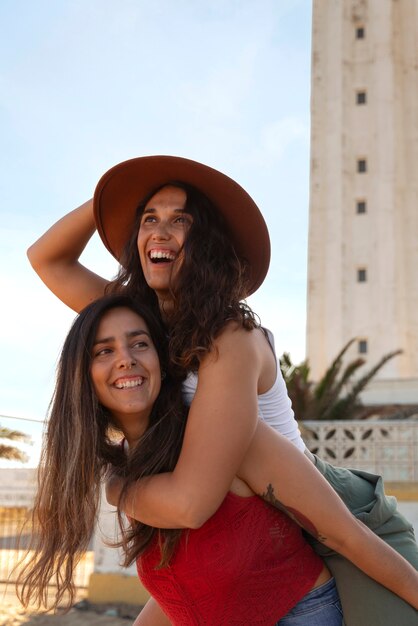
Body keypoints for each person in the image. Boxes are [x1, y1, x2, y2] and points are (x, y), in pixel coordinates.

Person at [28, 155, 418, 624]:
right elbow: (46, 258)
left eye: (180, 221)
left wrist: (116, 488)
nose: (160, 231)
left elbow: (192, 501)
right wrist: (116, 196)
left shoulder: (229, 338)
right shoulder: (139, 331)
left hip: (324, 513)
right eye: (149, 219)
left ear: (207, 245)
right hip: (245, 518)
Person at [16, 295, 418, 625]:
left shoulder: (230, 436)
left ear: (161, 361)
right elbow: (190, 584)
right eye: (105, 351)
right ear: (82, 376)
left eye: (140, 343)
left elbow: (348, 535)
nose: (125, 358)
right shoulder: (127, 467)